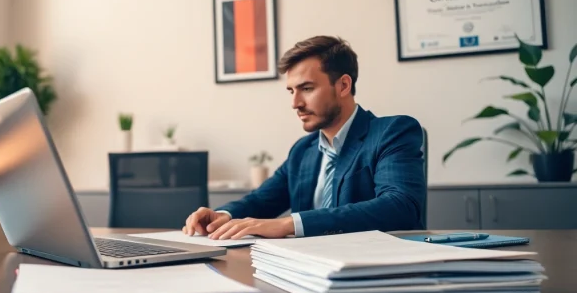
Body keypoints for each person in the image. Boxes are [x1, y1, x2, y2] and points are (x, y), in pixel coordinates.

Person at [183, 35, 426, 240]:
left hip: (375, 268)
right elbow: (260, 200)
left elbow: (400, 206)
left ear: (343, 85)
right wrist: (223, 215)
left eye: (307, 89)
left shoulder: (392, 132)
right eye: (291, 91)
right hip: (307, 269)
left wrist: (289, 224)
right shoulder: (303, 150)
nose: (295, 103)